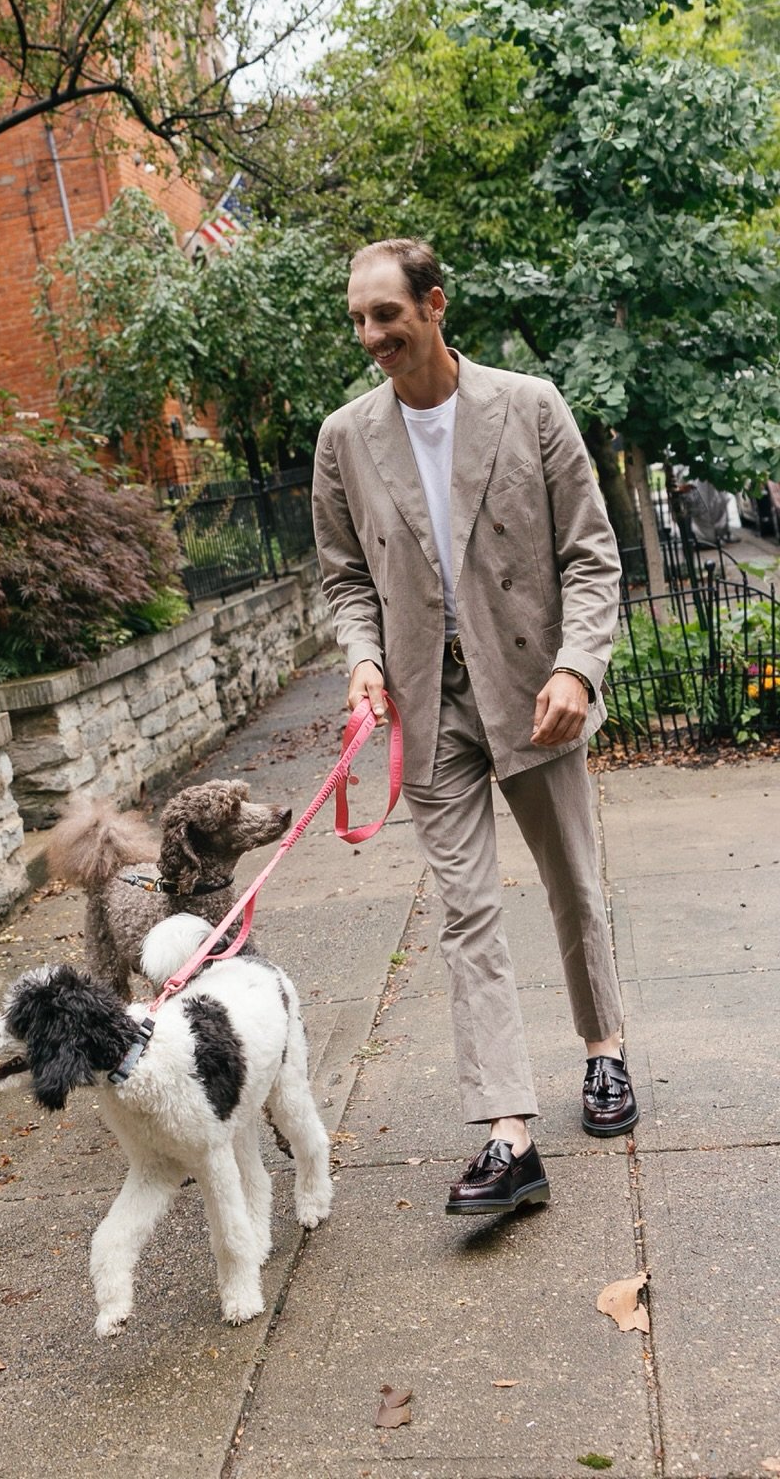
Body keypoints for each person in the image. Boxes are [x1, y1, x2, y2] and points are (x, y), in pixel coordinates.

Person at [311, 239, 635, 1216]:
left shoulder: (529, 406)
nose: (371, 336)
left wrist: (579, 664)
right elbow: (343, 576)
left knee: (571, 881)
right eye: (359, 319)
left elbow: (591, 553)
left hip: (534, 686)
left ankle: (605, 1053)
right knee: (465, 913)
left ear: (435, 306)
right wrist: (362, 658)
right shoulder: (344, 438)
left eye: (386, 315)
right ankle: (508, 1134)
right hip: (425, 704)